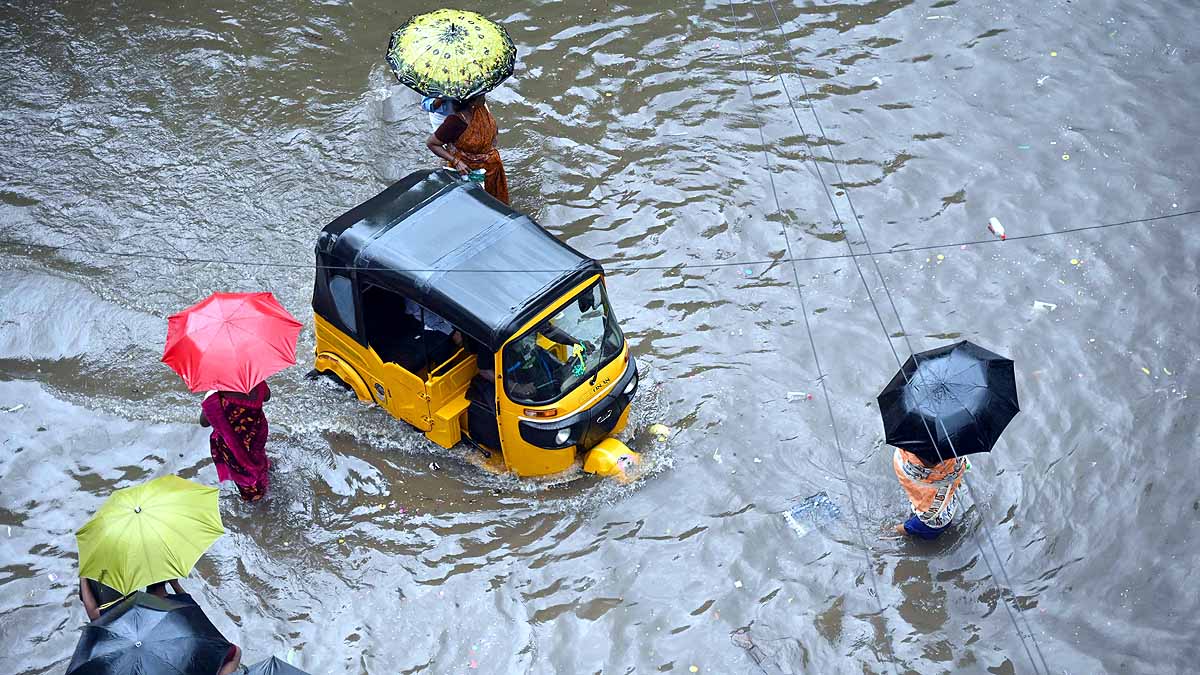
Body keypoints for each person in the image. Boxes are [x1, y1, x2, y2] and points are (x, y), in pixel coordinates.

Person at [425, 95, 510, 204]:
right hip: (468, 171)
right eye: (480, 96)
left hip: (491, 166)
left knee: (495, 204)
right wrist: (456, 161)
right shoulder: (455, 122)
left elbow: (493, 127)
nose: (484, 96)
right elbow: (432, 143)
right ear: (471, 102)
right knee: (473, 203)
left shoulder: (481, 109)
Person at [147, 579, 242, 675]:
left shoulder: (137, 608)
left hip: (168, 663)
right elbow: (196, 612)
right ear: (167, 580)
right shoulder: (181, 603)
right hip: (192, 657)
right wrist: (175, 584)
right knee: (235, 652)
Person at [201, 382, 272, 502]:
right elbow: (267, 396)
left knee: (243, 471)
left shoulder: (215, 399)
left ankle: (254, 497)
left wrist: (209, 395)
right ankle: (263, 472)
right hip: (255, 433)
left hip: (233, 445)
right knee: (257, 455)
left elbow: (204, 422)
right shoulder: (257, 384)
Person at [892, 448, 967, 540]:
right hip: (949, 500)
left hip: (933, 526)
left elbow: (907, 528)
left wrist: (892, 530)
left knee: (917, 531)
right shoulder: (956, 461)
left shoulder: (928, 516)